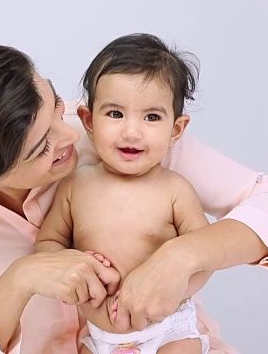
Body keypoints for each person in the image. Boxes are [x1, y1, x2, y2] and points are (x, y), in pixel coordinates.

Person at [0, 38, 268, 354]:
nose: (70, 136)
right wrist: (19, 281)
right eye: (42, 146)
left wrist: (182, 256)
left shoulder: (124, 139)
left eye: (56, 105)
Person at [36, 33, 212, 353]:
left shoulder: (175, 190)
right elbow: (48, 243)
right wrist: (74, 265)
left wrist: (173, 290)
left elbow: (204, 255)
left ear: (176, 130)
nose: (132, 131)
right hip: (101, 336)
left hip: (168, 327)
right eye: (115, 114)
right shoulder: (76, 186)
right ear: (89, 121)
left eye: (152, 117)